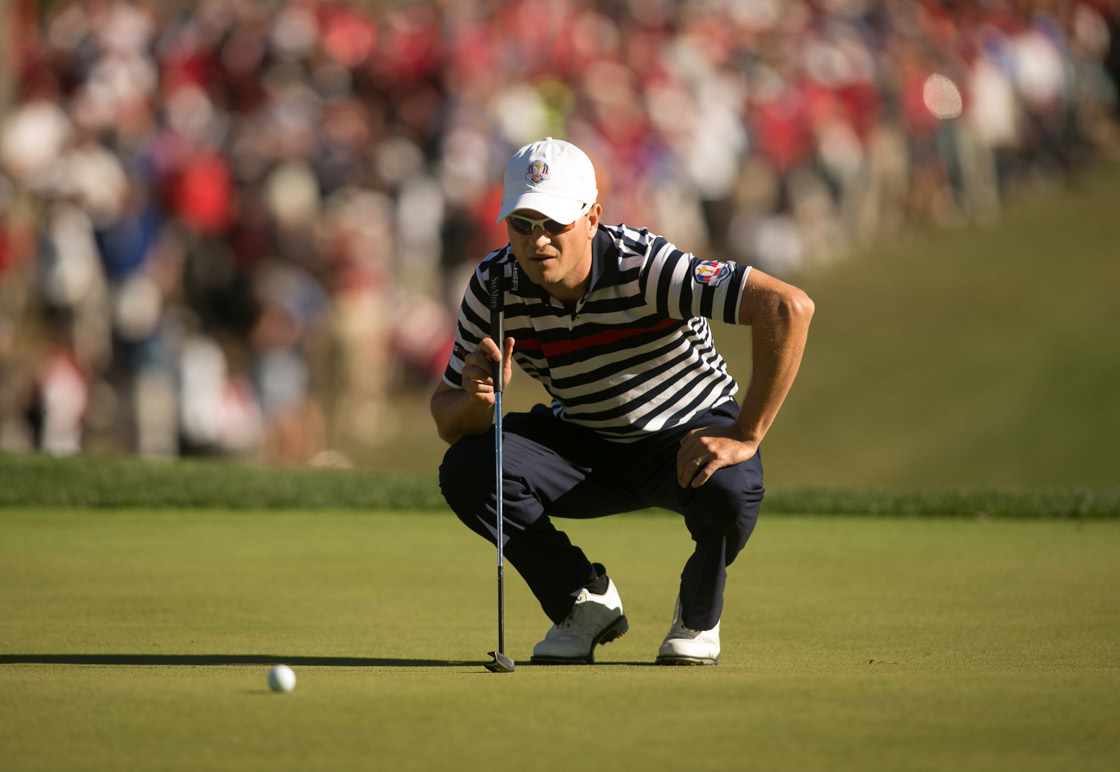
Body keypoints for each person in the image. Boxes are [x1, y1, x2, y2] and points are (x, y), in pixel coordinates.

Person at [432, 138, 813, 665]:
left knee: (730, 487)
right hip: (588, 445)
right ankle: (582, 602)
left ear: (592, 218)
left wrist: (747, 433)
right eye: (522, 223)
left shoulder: (645, 266)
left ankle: (697, 616)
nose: (537, 240)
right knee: (467, 468)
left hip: (687, 435)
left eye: (555, 223)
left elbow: (787, 307)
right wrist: (479, 399)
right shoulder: (495, 286)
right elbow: (448, 416)